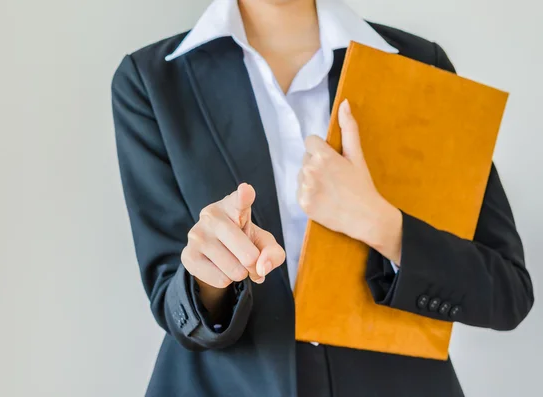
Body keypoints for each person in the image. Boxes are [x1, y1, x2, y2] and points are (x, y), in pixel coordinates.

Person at [111, 0, 534, 395]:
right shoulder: (150, 81)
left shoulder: (420, 66)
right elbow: (174, 304)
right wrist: (209, 276)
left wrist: (382, 224)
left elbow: (506, 292)